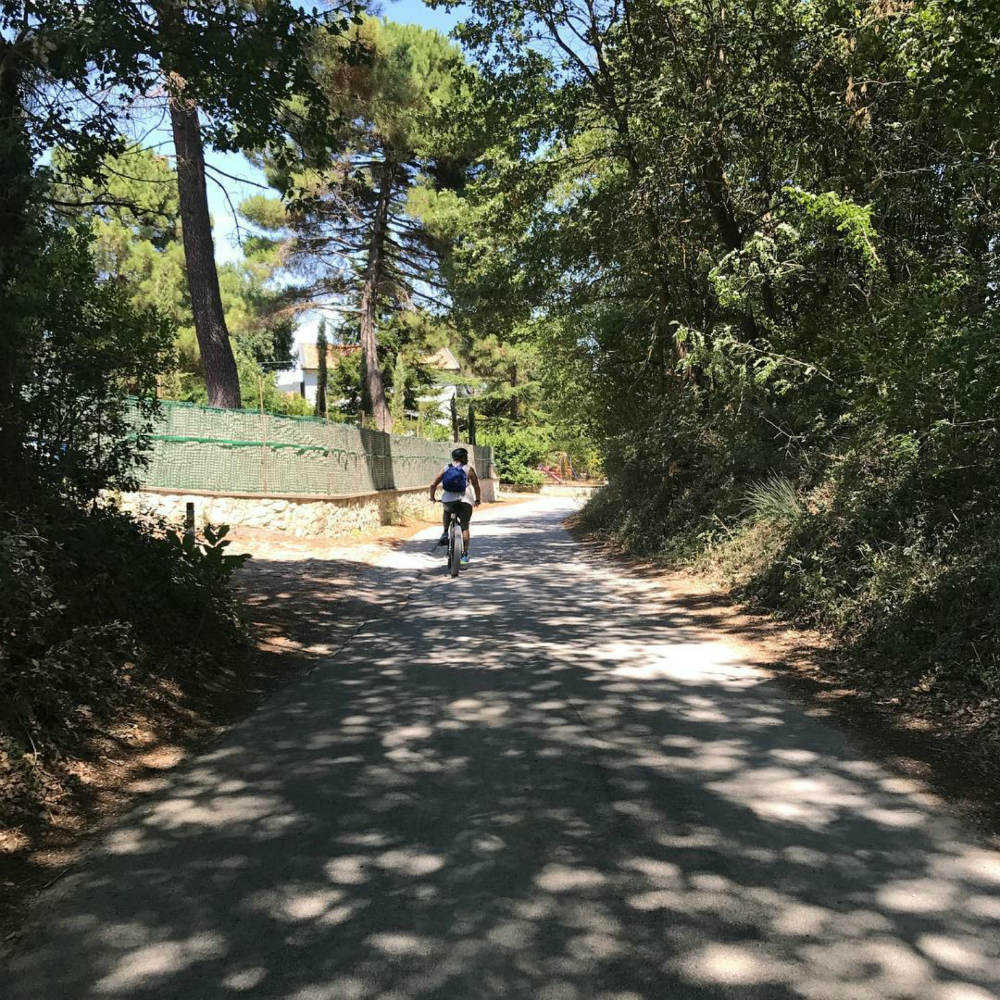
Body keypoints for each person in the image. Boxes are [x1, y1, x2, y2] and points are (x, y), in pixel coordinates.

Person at [430, 447, 481, 564]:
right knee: (465, 526)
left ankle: (444, 532)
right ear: (463, 457)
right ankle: (464, 555)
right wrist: (477, 499)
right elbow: (476, 486)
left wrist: (432, 497)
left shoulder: (446, 468)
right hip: (465, 500)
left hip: (448, 500)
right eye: (466, 456)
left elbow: (433, 484)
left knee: (447, 511)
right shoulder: (469, 469)